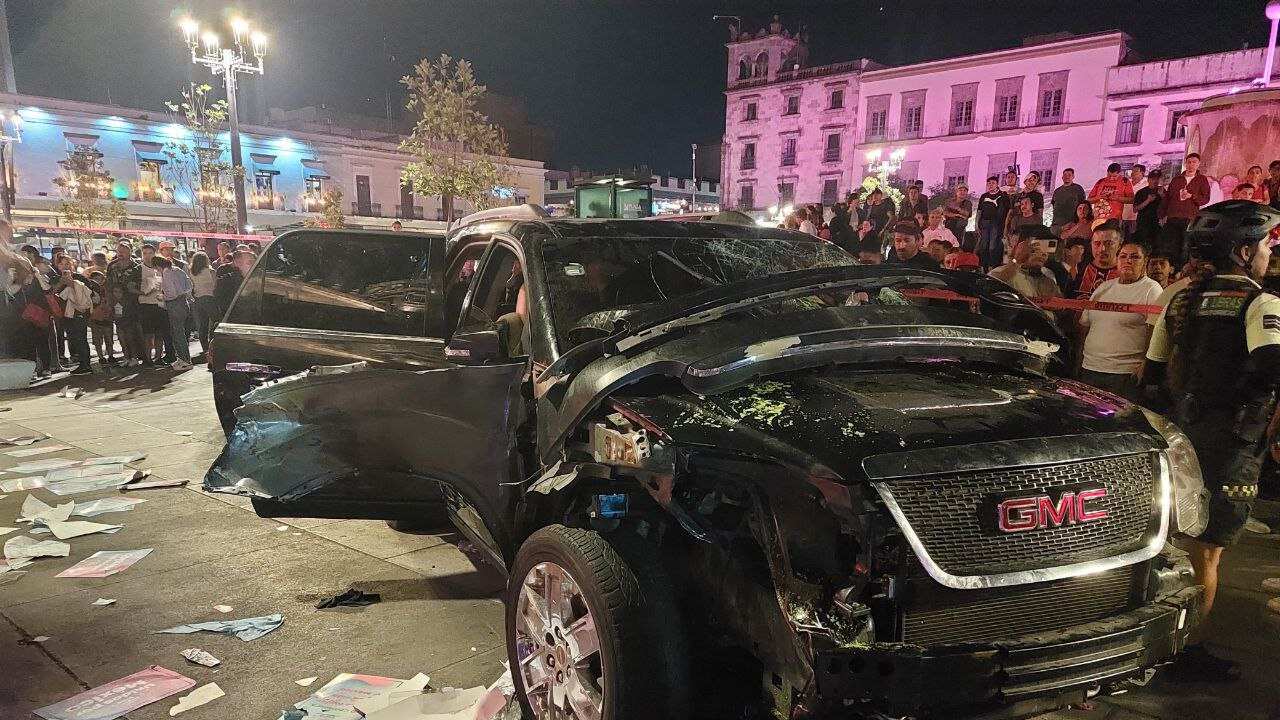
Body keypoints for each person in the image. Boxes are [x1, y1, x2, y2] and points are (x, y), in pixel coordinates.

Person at [1141, 200, 1280, 681]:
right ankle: (1185, 650)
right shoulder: (1260, 302)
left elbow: (1152, 374)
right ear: (1244, 251)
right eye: (1264, 244)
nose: (1267, 253)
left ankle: (1151, 639)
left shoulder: (1179, 299)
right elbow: (1270, 368)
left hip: (1177, 438)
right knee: (1207, 554)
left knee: (1170, 542)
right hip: (1229, 446)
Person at [1078, 242, 1161, 401]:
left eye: (1134, 257)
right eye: (1123, 256)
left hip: (1124, 374)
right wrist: (1079, 360)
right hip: (1091, 368)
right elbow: (1085, 325)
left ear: (1144, 262)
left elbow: (1155, 330)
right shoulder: (1103, 288)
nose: (1128, 261)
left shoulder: (1151, 289)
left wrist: (1146, 364)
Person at [1160, 153, 1212, 266]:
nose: (1191, 165)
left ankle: (1181, 268)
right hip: (1173, 216)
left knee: (1185, 244)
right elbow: (1168, 198)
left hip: (1189, 217)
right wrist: (1162, 214)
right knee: (1170, 243)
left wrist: (1192, 196)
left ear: (1198, 164)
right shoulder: (1177, 179)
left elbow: (1206, 198)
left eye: (1194, 162)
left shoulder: (1201, 179)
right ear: (1185, 163)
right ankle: (1170, 267)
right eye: (1189, 162)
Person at [53, 254, 94, 375]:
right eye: (64, 264)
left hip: (79, 312)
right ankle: (82, 363)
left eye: (69, 263)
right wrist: (62, 282)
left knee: (81, 338)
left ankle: (85, 365)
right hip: (63, 314)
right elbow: (51, 292)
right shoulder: (56, 278)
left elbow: (88, 293)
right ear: (58, 265)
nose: (67, 266)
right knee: (73, 338)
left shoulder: (80, 278)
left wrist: (72, 284)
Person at [106, 240, 144, 367]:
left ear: (130, 252)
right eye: (118, 251)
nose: (120, 254)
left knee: (133, 331)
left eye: (123, 251)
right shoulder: (112, 266)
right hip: (117, 303)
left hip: (133, 303)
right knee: (121, 331)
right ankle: (126, 356)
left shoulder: (136, 265)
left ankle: (136, 356)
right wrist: (109, 302)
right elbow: (108, 285)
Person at [989, 234, 1061, 298]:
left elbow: (1063, 305)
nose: (1042, 254)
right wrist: (1017, 260)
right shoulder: (1004, 272)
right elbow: (989, 287)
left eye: (1046, 252)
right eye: (1035, 250)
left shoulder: (1049, 281)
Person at [156, 254, 193, 370]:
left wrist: (162, 297)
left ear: (158, 266)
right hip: (183, 303)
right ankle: (182, 359)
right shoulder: (177, 269)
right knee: (179, 333)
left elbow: (171, 293)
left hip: (175, 305)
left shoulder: (167, 273)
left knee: (177, 334)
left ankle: (184, 360)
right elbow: (189, 284)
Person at [136, 244, 167, 366]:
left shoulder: (160, 268)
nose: (147, 256)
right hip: (146, 304)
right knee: (148, 334)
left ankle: (158, 357)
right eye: (145, 253)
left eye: (150, 253)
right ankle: (148, 358)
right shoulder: (139, 268)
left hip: (159, 303)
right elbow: (131, 287)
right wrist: (143, 292)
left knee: (159, 333)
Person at [1076, 222, 1123, 299]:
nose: (1102, 249)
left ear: (1119, 246)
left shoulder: (1126, 274)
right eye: (1097, 243)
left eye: (1109, 243)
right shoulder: (1078, 269)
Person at [976, 176, 1011, 270]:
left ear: (997, 184)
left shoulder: (1003, 196)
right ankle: (983, 266)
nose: (990, 185)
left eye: (993, 183)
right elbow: (979, 211)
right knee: (983, 246)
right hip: (984, 223)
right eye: (989, 183)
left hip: (997, 223)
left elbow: (1009, 211)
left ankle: (993, 266)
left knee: (993, 246)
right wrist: (976, 224)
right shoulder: (984, 196)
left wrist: (1006, 225)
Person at [189, 252, 218, 362]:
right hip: (209, 299)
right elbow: (215, 286)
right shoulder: (211, 271)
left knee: (202, 326)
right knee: (216, 322)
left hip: (197, 300)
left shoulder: (192, 272)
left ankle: (205, 348)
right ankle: (213, 344)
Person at [86, 269, 115, 366]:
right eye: (96, 279)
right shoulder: (89, 291)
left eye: (101, 279)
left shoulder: (106, 290)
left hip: (107, 317)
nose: (99, 281)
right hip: (95, 318)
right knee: (98, 340)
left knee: (109, 338)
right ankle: (101, 357)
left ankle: (110, 355)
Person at [1050, 168, 1087, 236]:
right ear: (1062, 177)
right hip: (1057, 224)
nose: (1067, 176)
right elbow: (1054, 205)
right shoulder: (1057, 191)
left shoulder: (1078, 189)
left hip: (1072, 223)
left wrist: (1078, 221)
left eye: (1069, 175)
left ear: (1073, 177)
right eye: (1065, 175)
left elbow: (1083, 205)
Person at [1133, 169, 1163, 246]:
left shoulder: (1162, 191)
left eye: (1157, 179)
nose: (1155, 181)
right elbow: (1135, 209)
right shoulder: (1141, 192)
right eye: (1153, 179)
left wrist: (1162, 195)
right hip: (1143, 223)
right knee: (1142, 244)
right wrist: (1148, 201)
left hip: (1157, 223)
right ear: (1149, 179)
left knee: (1156, 244)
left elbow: (1166, 206)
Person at [1119, 164, 1147, 240]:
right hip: (1123, 215)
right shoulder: (1126, 183)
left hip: (1135, 217)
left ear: (1143, 173)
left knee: (1132, 239)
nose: (1132, 173)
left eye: (1135, 171)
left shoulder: (1146, 185)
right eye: (1132, 171)